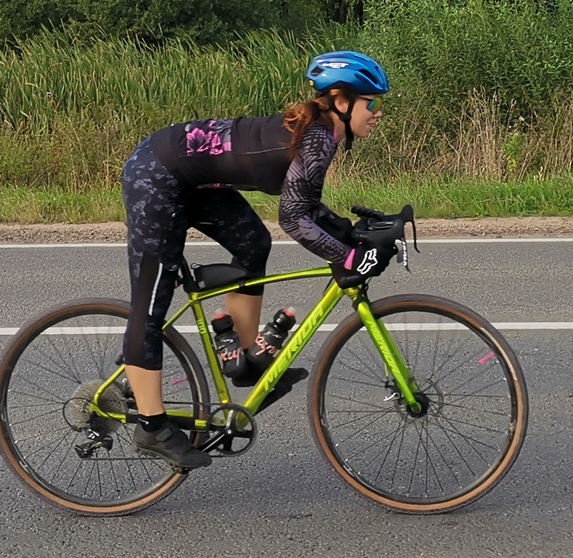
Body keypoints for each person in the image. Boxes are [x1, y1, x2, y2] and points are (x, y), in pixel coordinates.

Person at [89, 50, 391, 470]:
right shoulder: (319, 138)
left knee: (253, 245)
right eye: (372, 103)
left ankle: (245, 362)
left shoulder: (322, 133)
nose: (378, 112)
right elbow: (294, 218)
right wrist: (348, 256)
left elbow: (306, 205)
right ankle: (151, 425)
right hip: (156, 174)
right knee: (153, 298)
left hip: (191, 178)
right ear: (341, 101)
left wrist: (353, 237)